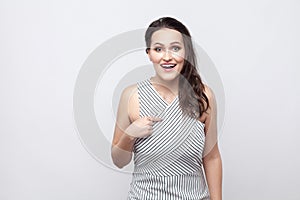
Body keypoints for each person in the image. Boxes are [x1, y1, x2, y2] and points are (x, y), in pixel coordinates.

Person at [111, 17, 222, 200]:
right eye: (158, 49)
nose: (167, 56)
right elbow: (118, 161)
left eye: (175, 48)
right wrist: (130, 134)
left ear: (186, 52)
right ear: (149, 54)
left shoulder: (203, 96)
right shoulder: (131, 96)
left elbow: (211, 158)